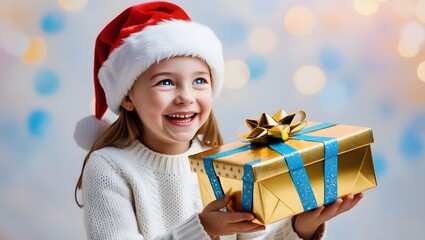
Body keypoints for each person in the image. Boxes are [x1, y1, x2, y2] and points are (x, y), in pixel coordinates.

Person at [73, 1, 363, 240]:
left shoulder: (217, 161)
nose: (185, 96)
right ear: (127, 97)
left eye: (199, 80)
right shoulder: (109, 167)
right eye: (165, 83)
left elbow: (251, 235)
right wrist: (203, 229)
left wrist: (301, 228)